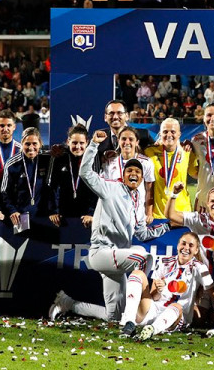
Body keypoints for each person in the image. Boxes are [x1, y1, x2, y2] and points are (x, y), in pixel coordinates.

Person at [48, 130, 171, 328]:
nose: (133, 174)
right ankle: (151, 307)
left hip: (117, 259)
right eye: (130, 171)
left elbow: (142, 233)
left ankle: (67, 303)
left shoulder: (137, 202)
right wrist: (93, 145)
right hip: (102, 252)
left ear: (141, 180)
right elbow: (85, 173)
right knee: (143, 257)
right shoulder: (109, 187)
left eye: (137, 173)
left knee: (113, 316)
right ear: (123, 176)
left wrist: (169, 226)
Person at [119, 232, 214, 341]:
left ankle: (152, 330)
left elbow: (212, 291)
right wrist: (159, 291)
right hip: (154, 310)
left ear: (196, 250)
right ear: (178, 245)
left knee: (177, 306)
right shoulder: (163, 262)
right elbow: (153, 296)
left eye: (191, 245)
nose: (186, 248)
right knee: (137, 273)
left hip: (176, 316)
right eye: (183, 244)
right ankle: (129, 322)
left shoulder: (200, 267)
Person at [164, 182, 214, 285]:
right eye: (212, 201)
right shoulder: (197, 219)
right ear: (207, 203)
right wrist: (174, 194)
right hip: (200, 277)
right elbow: (170, 214)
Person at [0, 127, 52, 232]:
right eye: (27, 144)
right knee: (23, 246)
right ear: (22, 143)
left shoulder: (47, 159)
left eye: (34, 143)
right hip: (21, 217)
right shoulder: (12, 164)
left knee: (44, 246)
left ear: (40, 143)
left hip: (44, 215)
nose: (31, 147)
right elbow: (4, 192)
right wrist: (13, 211)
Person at [47, 124, 98, 229]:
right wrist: (54, 211)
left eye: (82, 143)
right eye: (74, 142)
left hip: (86, 216)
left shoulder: (93, 157)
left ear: (87, 143)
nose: (78, 147)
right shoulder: (59, 157)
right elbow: (53, 186)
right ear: (68, 141)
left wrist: (91, 213)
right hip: (62, 215)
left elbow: (96, 188)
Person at [101, 125, 155, 221]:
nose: (127, 142)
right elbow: (105, 191)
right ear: (118, 140)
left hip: (138, 215)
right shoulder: (109, 162)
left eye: (131, 139)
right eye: (124, 139)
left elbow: (149, 191)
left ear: (137, 142)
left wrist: (149, 213)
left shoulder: (146, 162)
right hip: (115, 215)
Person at [145, 118, 191, 221]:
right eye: (165, 132)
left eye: (173, 132)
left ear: (179, 134)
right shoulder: (149, 152)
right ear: (160, 134)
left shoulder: (187, 152)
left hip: (182, 213)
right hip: (158, 214)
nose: (169, 135)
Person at [94, 100, 130, 171]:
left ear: (127, 116)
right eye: (111, 113)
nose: (115, 117)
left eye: (119, 113)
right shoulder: (99, 137)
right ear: (105, 117)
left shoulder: (142, 136)